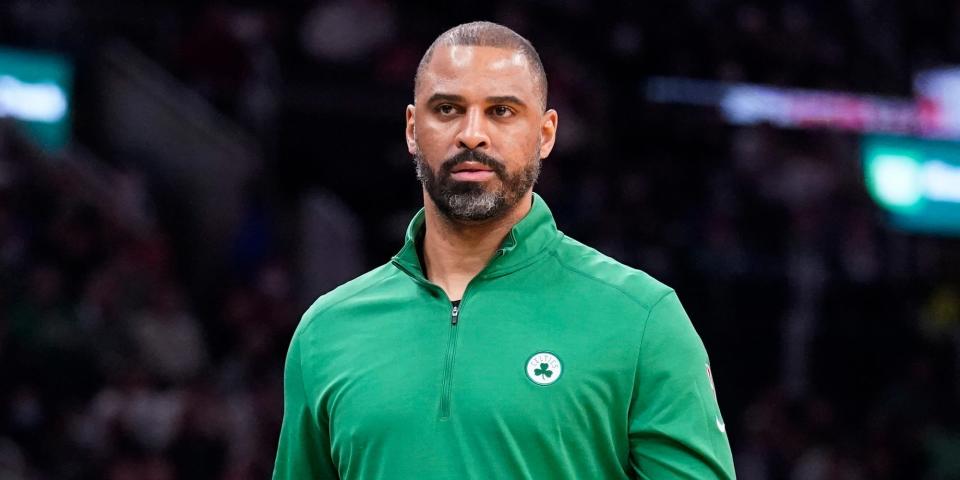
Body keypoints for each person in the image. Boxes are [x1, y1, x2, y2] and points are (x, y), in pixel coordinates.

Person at [273, 21, 735, 479]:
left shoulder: (641, 319)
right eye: (449, 109)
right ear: (413, 129)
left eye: (501, 111)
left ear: (546, 133)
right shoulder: (326, 331)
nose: (472, 134)